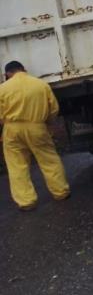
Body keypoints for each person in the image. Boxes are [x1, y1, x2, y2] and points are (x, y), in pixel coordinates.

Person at [0, 61, 70, 211]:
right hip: (37, 127)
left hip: (12, 129)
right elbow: (53, 109)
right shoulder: (40, 85)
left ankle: (26, 202)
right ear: (24, 70)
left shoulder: (2, 88)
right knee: (49, 160)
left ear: (7, 74)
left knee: (17, 165)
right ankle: (61, 192)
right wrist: (48, 124)